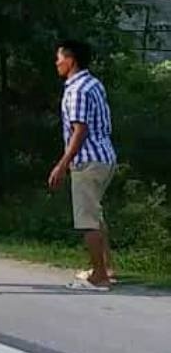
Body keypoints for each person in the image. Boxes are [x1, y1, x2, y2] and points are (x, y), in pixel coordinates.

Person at [48, 40, 117, 291]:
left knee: (87, 219)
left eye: (59, 58)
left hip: (88, 160)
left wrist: (62, 164)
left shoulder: (76, 89)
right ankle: (106, 267)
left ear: (71, 60)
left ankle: (100, 276)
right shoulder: (93, 83)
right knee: (96, 215)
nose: (56, 62)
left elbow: (80, 130)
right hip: (104, 156)